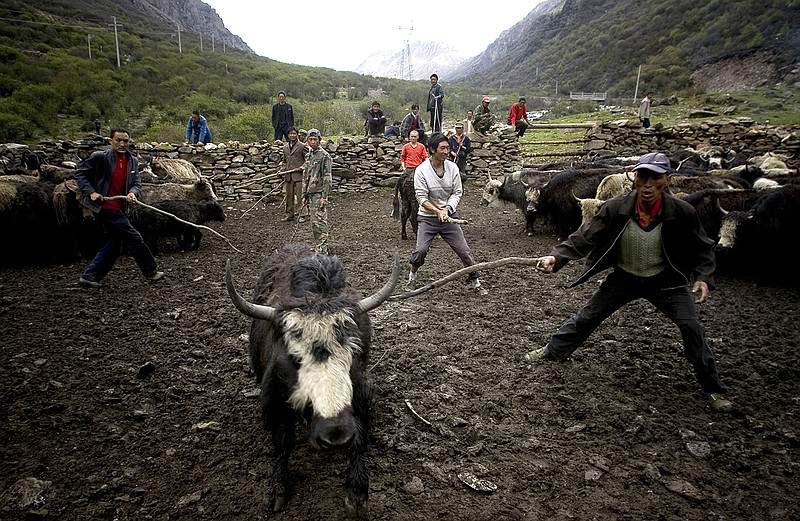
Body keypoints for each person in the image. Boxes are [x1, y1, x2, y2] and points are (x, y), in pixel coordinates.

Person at [527, 152, 732, 413]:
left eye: (654, 178)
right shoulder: (616, 207)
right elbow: (584, 236)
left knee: (691, 327)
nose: (647, 184)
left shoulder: (682, 212)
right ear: (634, 179)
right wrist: (556, 257)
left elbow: (702, 247)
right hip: (625, 277)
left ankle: (712, 387)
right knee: (588, 315)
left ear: (666, 180)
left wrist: (704, 277)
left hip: (666, 281)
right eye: (642, 176)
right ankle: (553, 351)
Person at [75, 128, 164, 287]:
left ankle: (90, 276)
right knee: (135, 237)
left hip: (120, 206)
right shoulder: (100, 158)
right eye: (118, 140)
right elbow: (80, 173)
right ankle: (151, 271)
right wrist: (91, 192)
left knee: (114, 244)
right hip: (104, 207)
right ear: (111, 141)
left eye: (125, 141)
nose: (122, 144)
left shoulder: (132, 161)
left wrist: (132, 193)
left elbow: (136, 183)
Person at [406, 132, 486, 296]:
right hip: (428, 218)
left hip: (449, 217)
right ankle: (412, 276)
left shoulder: (453, 168)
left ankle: (475, 280)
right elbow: (421, 197)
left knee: (464, 250)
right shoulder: (422, 171)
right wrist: (437, 211)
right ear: (432, 150)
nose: (446, 151)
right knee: (421, 250)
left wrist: (446, 210)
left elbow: (457, 192)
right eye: (442, 148)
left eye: (448, 148)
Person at [301, 129, 332, 254]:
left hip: (319, 193)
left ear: (319, 140)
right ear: (307, 140)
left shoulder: (324, 156)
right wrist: (304, 194)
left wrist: (324, 196)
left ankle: (323, 250)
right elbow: (306, 176)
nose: (313, 142)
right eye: (310, 139)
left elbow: (327, 177)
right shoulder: (309, 155)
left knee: (320, 223)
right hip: (310, 192)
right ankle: (319, 246)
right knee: (314, 224)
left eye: (315, 139)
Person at [392, 129, 429, 219]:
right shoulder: (406, 147)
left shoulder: (421, 147)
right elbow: (402, 158)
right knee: (402, 187)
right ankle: (398, 203)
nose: (413, 138)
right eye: (411, 136)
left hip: (418, 170)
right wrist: (404, 167)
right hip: (408, 169)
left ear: (418, 137)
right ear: (409, 137)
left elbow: (425, 157)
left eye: (415, 136)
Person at [280, 126, 307, 222]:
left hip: (299, 175)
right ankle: (289, 215)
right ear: (288, 135)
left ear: (297, 135)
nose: (292, 135)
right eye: (290, 134)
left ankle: (302, 215)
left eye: (294, 133)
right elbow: (284, 161)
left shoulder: (302, 146)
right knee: (289, 197)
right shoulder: (285, 147)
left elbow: (308, 160)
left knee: (300, 196)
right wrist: (282, 170)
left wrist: (303, 167)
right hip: (288, 176)